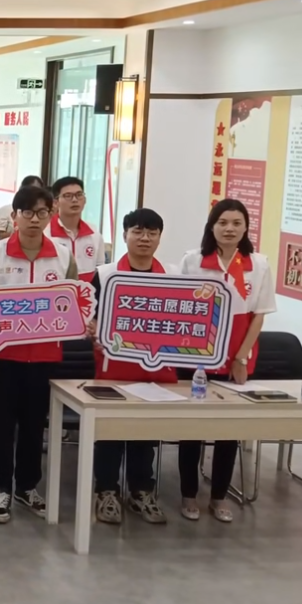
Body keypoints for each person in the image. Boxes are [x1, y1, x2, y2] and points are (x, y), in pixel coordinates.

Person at [0, 185, 78, 524]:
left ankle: (27, 486)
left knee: (35, 427)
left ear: (51, 215)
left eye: (42, 212)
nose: (35, 219)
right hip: (4, 357)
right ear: (15, 215)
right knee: (2, 426)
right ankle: (2, 487)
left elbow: (73, 305)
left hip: (45, 357)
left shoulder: (63, 255)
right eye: (28, 212)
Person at [177, 199, 276, 523]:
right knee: (192, 428)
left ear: (246, 227)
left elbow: (259, 315)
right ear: (212, 226)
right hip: (198, 353)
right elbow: (182, 308)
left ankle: (219, 495)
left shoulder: (258, 264)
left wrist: (241, 357)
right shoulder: (193, 260)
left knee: (228, 428)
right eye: (222, 223)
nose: (229, 229)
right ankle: (188, 493)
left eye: (236, 223)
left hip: (238, 353)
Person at [87, 208, 173, 526]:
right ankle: (106, 490)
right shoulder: (105, 273)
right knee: (110, 432)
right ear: (124, 235)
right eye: (137, 231)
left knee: (145, 432)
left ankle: (140, 491)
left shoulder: (172, 276)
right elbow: (89, 315)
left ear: (160, 237)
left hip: (155, 367)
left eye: (152, 232)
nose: (145, 238)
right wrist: (92, 327)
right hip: (114, 366)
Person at [46, 176, 104, 283]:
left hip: (89, 292)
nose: (74, 200)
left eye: (79, 195)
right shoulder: (45, 233)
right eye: (68, 196)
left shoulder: (94, 234)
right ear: (55, 202)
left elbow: (100, 271)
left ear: (85, 200)